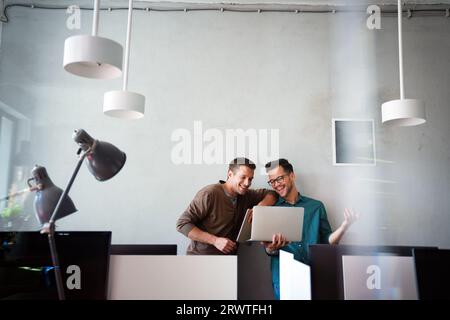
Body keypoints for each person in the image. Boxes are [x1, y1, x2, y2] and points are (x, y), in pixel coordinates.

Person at [263, 159, 359, 299]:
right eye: (272, 181)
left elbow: (327, 243)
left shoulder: (316, 206)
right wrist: (271, 248)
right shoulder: (271, 210)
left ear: (292, 175)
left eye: (279, 178)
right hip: (284, 278)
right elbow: (267, 249)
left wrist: (344, 226)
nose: (276, 184)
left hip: (315, 274)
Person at [176, 157, 277, 255]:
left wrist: (260, 206)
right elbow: (182, 224)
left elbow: (273, 194)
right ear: (230, 174)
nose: (247, 183)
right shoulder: (209, 193)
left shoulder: (247, 195)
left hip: (229, 261)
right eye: (243, 177)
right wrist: (215, 241)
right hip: (200, 259)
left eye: (250, 179)